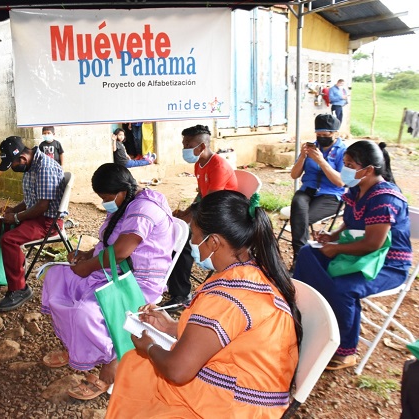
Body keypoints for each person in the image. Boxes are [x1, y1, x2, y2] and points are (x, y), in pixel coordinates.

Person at [107, 190, 302, 418]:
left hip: (237, 407)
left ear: (214, 242)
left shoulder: (227, 295)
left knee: (140, 367)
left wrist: (149, 347)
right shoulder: (252, 272)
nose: (191, 243)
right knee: (136, 367)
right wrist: (171, 327)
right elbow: (230, 333)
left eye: (195, 235)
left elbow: (177, 371)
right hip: (247, 391)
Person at [40, 163, 176, 400]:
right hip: (112, 270)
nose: (105, 202)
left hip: (136, 283)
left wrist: (87, 267)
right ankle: (76, 346)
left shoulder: (144, 208)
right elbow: (111, 243)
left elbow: (121, 251)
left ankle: (109, 363)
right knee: (56, 276)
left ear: (123, 190)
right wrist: (88, 255)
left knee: (86, 311)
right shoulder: (126, 202)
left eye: (106, 197)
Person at [294, 141, 412, 370]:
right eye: (345, 163)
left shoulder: (385, 198)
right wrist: (332, 236)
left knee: (343, 287)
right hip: (357, 252)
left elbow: (373, 243)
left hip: (387, 264)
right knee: (308, 254)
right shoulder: (357, 189)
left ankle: (345, 350)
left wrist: (336, 248)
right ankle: (311, 318)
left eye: (349, 165)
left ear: (368, 169)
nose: (344, 169)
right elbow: (349, 223)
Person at [0, 136, 65, 311]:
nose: (12, 169)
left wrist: (17, 218)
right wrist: (13, 210)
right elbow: (31, 200)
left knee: (9, 240)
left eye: (12, 165)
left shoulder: (44, 168)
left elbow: (42, 206)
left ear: (22, 158)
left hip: (48, 222)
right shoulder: (30, 166)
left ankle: (19, 288)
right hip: (36, 216)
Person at [163, 124, 238, 310]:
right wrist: (186, 213)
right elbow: (201, 197)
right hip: (211, 209)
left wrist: (190, 220)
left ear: (202, 147)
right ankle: (174, 284)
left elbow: (211, 202)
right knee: (175, 231)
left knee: (183, 241)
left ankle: (181, 295)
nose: (184, 149)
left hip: (224, 214)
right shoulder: (199, 164)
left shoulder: (218, 166)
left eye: (188, 145)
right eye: (184, 144)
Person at [288, 114, 346, 264]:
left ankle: (300, 257)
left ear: (335, 133)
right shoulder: (312, 147)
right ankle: (301, 257)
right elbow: (294, 175)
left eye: (325, 135)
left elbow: (340, 182)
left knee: (299, 218)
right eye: (318, 134)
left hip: (331, 194)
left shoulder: (343, 152)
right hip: (308, 190)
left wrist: (321, 160)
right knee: (298, 202)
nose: (321, 138)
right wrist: (302, 156)